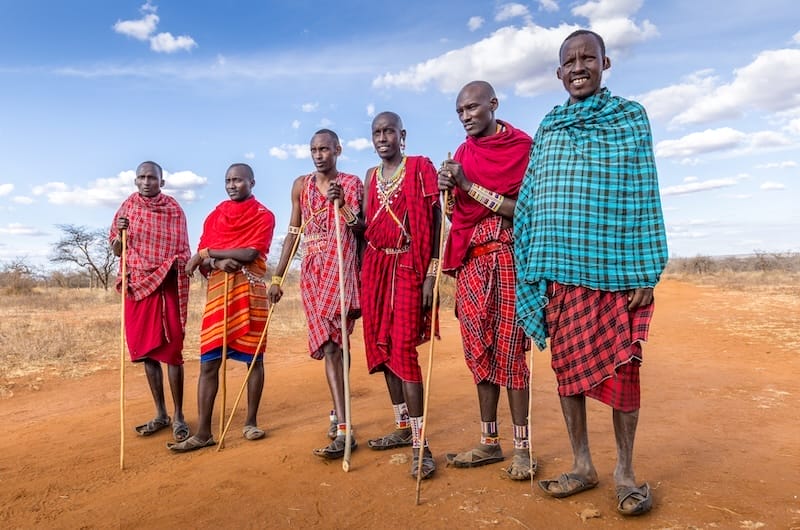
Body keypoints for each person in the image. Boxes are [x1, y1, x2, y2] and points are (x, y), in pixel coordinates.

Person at [514, 30, 668, 516]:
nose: (578, 66)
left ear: (605, 62)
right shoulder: (550, 127)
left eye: (587, 57)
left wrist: (645, 269)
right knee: (567, 373)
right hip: (560, 270)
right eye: (569, 60)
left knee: (624, 370)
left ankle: (625, 471)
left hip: (618, 271)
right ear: (558, 72)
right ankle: (583, 465)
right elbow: (533, 197)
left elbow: (644, 194)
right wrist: (533, 263)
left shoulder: (629, 118)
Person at [438, 81, 535, 480]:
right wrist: (448, 195)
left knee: (512, 353)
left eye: (472, 108)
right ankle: (489, 443)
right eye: (460, 111)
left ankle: (524, 449)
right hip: (472, 266)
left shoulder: (524, 149)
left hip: (509, 261)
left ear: (493, 105)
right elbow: (458, 219)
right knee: (479, 353)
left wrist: (466, 185)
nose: (465, 117)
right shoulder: (462, 154)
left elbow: (524, 211)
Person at [268, 129, 363, 460]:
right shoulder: (301, 185)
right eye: (313, 149)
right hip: (312, 269)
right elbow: (293, 233)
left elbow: (361, 229)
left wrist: (343, 205)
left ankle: (342, 422)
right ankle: (342, 421)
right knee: (328, 346)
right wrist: (277, 277)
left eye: (324, 149)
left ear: (338, 149)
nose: (318, 154)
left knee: (339, 345)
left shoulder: (352, 184)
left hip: (341, 264)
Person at [168, 163, 275, 453]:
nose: (232, 185)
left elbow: (251, 252)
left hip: (249, 293)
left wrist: (208, 253)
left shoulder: (263, 215)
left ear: (252, 182)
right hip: (218, 294)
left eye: (238, 180)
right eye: (228, 180)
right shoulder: (215, 215)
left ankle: (250, 422)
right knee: (209, 361)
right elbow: (204, 261)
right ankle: (203, 432)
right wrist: (216, 262)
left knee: (254, 360)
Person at [360, 112, 441, 480]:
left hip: (409, 268)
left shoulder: (421, 168)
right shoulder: (370, 177)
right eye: (376, 132)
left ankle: (421, 445)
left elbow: (437, 220)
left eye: (388, 131)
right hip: (375, 268)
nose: (382, 137)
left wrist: (430, 273)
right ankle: (403, 426)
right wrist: (343, 210)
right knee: (383, 349)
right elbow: (366, 225)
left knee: (404, 352)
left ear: (401, 135)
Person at [110, 161, 192, 443]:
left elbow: (182, 250)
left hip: (166, 285)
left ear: (162, 181)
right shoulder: (127, 208)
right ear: (135, 181)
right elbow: (118, 249)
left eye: (152, 178)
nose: (146, 182)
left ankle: (180, 415)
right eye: (142, 177)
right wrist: (119, 235)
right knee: (146, 351)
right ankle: (161, 413)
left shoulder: (173, 210)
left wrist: (171, 265)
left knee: (172, 351)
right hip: (137, 287)